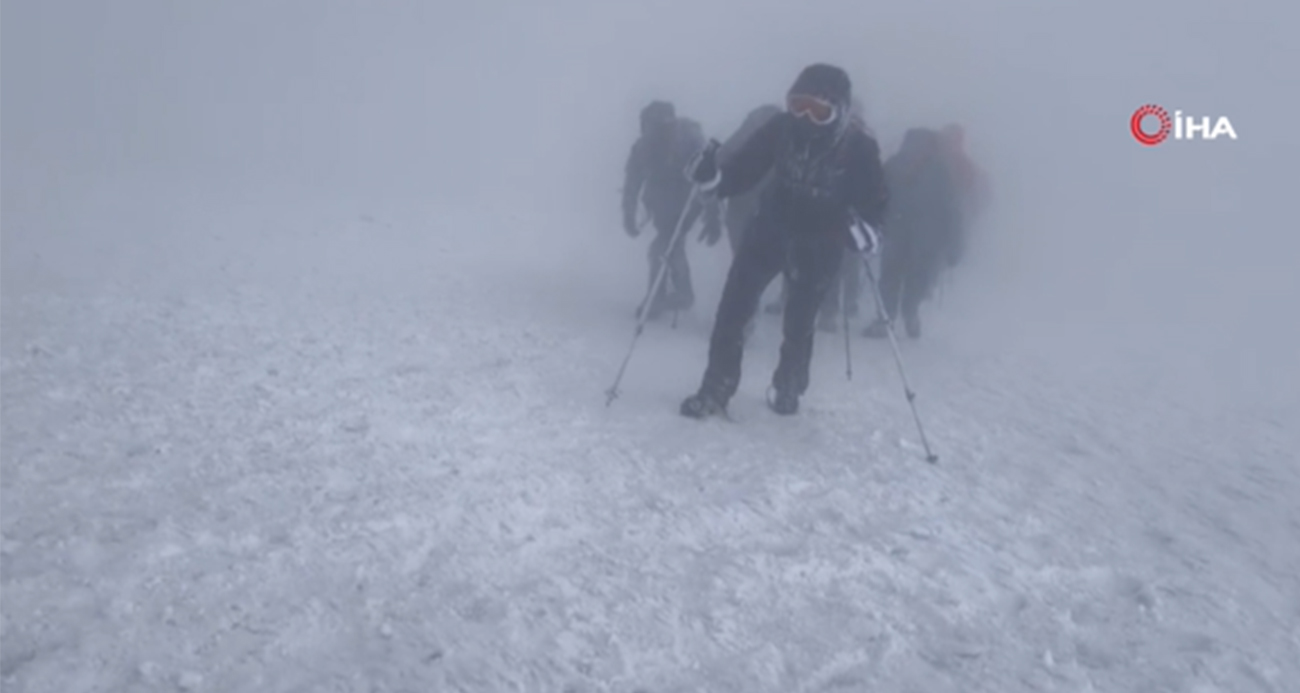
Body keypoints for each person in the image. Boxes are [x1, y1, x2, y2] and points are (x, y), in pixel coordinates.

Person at [678, 64, 889, 418]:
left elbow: (875, 202)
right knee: (733, 310)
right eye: (798, 105)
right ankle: (715, 388)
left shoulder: (859, 147)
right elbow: (744, 171)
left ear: (840, 112)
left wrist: (865, 230)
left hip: (820, 240)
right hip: (770, 227)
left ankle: (789, 386)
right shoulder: (781, 128)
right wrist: (713, 177)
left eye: (819, 111)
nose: (806, 118)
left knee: (800, 321)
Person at [622, 100, 723, 320]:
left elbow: (707, 175)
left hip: (689, 201)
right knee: (669, 243)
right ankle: (677, 293)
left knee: (663, 246)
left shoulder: (689, 140)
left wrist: (712, 213)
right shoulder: (643, 148)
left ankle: (669, 296)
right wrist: (629, 213)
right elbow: (632, 182)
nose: (655, 131)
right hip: (661, 203)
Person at [862, 128, 963, 340]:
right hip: (897, 231)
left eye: (922, 144)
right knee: (890, 277)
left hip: (926, 237)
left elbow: (951, 208)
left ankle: (910, 312)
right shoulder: (893, 166)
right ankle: (886, 318)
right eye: (914, 143)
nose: (917, 149)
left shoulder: (940, 172)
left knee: (918, 278)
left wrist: (954, 244)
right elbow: (877, 195)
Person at [719, 104, 783, 254]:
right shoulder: (787, 136)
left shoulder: (747, 132)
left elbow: (722, 157)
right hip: (764, 206)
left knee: (743, 253)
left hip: (744, 205)